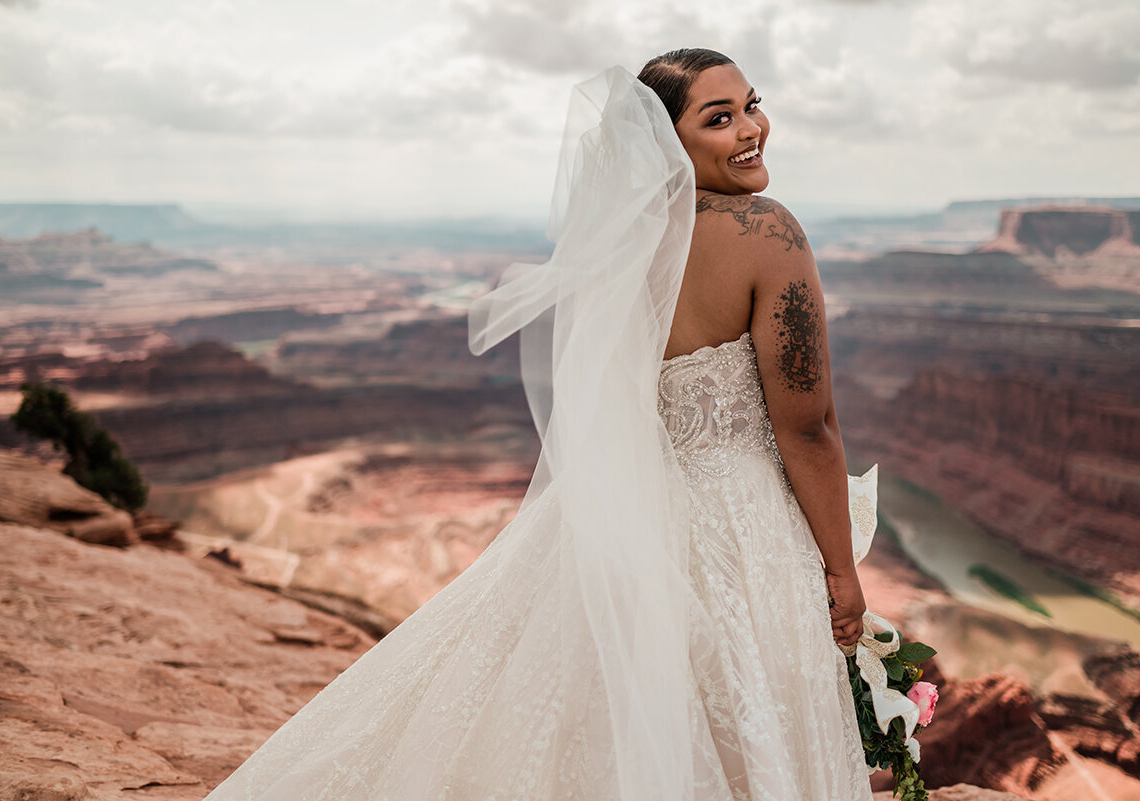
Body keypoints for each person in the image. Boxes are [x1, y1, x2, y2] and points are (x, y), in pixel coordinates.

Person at [203, 48, 876, 801]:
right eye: (718, 118)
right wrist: (842, 570)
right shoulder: (767, 233)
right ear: (667, 142)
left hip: (625, 525)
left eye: (752, 104)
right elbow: (807, 426)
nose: (752, 129)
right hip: (742, 529)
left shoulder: (624, 244)